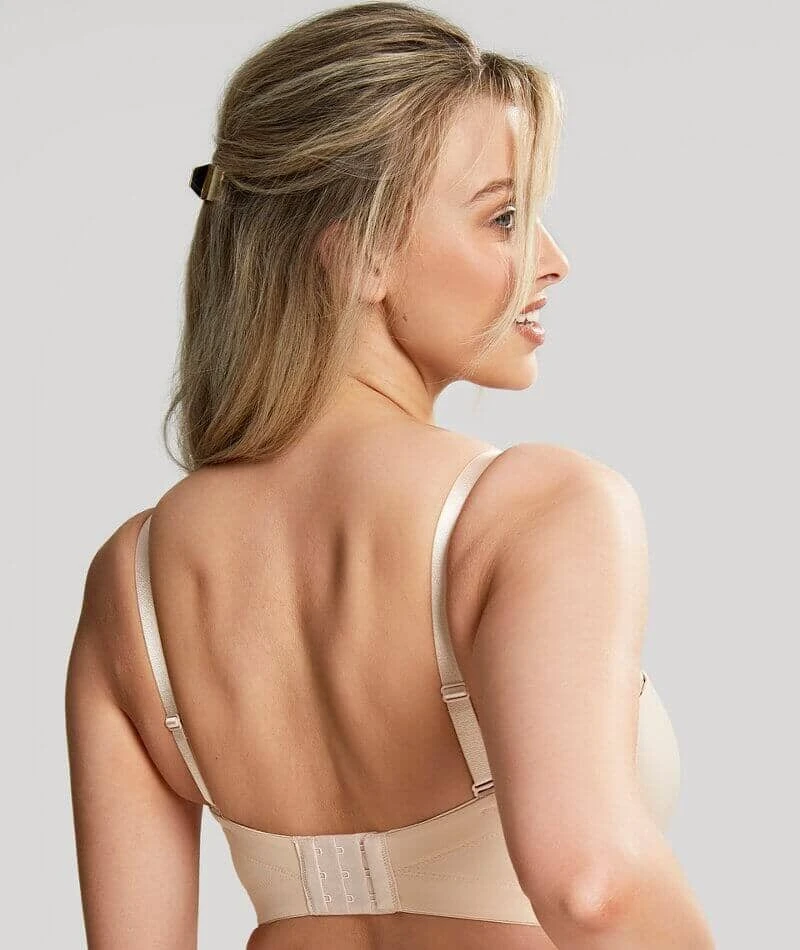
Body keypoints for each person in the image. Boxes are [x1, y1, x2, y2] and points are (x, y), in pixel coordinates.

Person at [65, 3, 716, 948]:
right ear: (359, 252)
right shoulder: (533, 512)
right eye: (504, 217)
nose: (552, 261)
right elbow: (593, 884)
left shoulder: (131, 581)